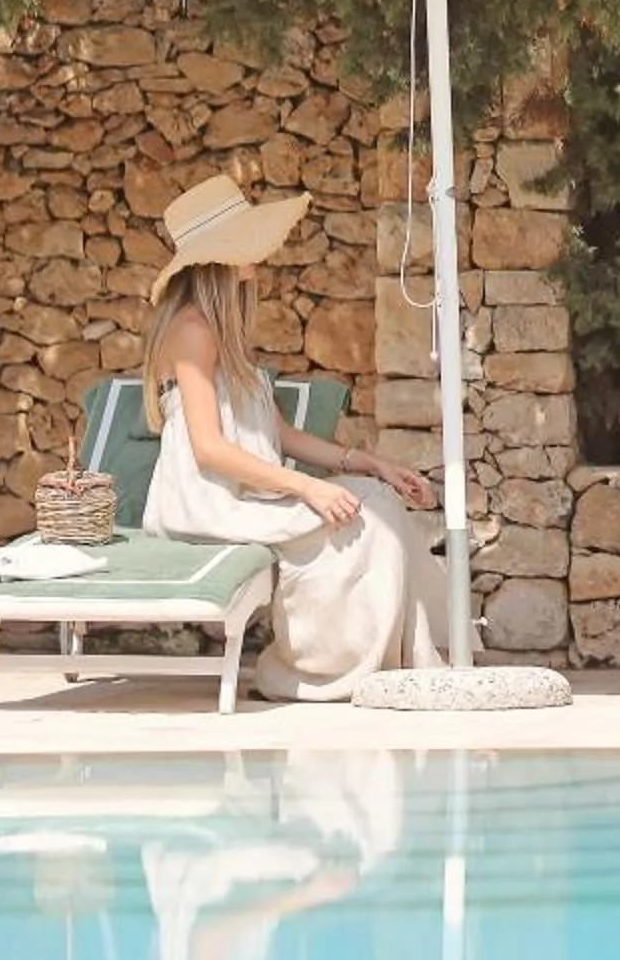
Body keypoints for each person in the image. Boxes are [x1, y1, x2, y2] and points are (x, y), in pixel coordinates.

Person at [137, 173, 445, 699]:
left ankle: (401, 661)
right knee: (364, 516)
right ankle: (317, 670)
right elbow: (208, 449)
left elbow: (282, 434)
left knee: (376, 498)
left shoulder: (225, 333)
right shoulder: (192, 331)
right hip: (209, 503)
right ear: (219, 257)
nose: (259, 255)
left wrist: (372, 464)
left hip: (248, 494)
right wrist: (308, 487)